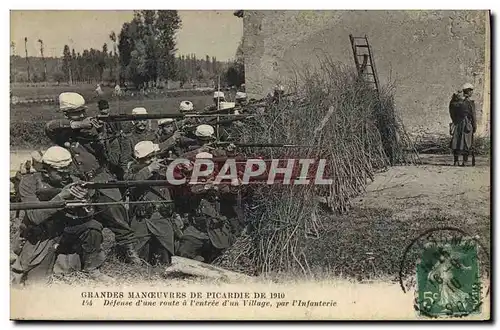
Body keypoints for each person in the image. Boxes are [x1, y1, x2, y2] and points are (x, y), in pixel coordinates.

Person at [45, 92, 141, 265]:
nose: (82, 115)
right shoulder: (65, 130)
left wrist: (97, 130)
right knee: (81, 222)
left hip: (101, 179)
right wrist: (80, 124)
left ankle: (130, 253)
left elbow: (107, 151)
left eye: (83, 111)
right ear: (67, 114)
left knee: (117, 216)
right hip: (78, 184)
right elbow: (49, 126)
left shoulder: (91, 128)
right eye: (76, 113)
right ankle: (85, 257)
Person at [11, 146, 112, 284]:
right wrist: (61, 197)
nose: (66, 177)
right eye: (60, 173)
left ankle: (92, 268)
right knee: (36, 282)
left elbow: (87, 216)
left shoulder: (72, 180)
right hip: (42, 235)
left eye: (67, 172)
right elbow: (35, 217)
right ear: (46, 171)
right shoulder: (29, 182)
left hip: (66, 228)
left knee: (93, 227)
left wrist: (84, 203)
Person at [124, 141, 182, 266]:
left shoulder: (161, 171)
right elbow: (131, 182)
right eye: (150, 158)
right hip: (142, 219)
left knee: (167, 255)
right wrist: (149, 169)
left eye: (155, 156)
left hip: (162, 216)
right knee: (136, 255)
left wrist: (176, 214)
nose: (155, 159)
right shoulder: (133, 171)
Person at [176, 152, 236, 263]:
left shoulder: (219, 178)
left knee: (225, 257)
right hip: (196, 229)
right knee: (183, 253)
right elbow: (192, 189)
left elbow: (229, 191)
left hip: (217, 229)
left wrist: (233, 187)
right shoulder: (191, 179)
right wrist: (207, 186)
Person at [449, 83, 477, 166]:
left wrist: (454, 121)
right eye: (471, 91)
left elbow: (451, 112)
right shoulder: (469, 102)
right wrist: (474, 126)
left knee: (456, 141)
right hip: (467, 124)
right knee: (467, 142)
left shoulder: (455, 102)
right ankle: (464, 162)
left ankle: (456, 161)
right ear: (468, 91)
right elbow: (473, 115)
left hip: (457, 123)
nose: (472, 93)